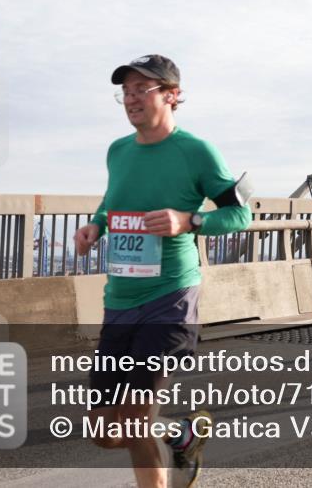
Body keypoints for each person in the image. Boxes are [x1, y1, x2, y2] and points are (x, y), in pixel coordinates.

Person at [73, 55, 252, 488]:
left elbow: (240, 215)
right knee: (103, 432)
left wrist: (189, 221)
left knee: (134, 420)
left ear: (171, 95)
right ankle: (181, 433)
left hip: (170, 296)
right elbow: (111, 201)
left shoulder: (196, 151)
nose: (131, 99)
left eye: (142, 89)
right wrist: (96, 225)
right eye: (126, 92)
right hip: (120, 299)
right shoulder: (118, 151)